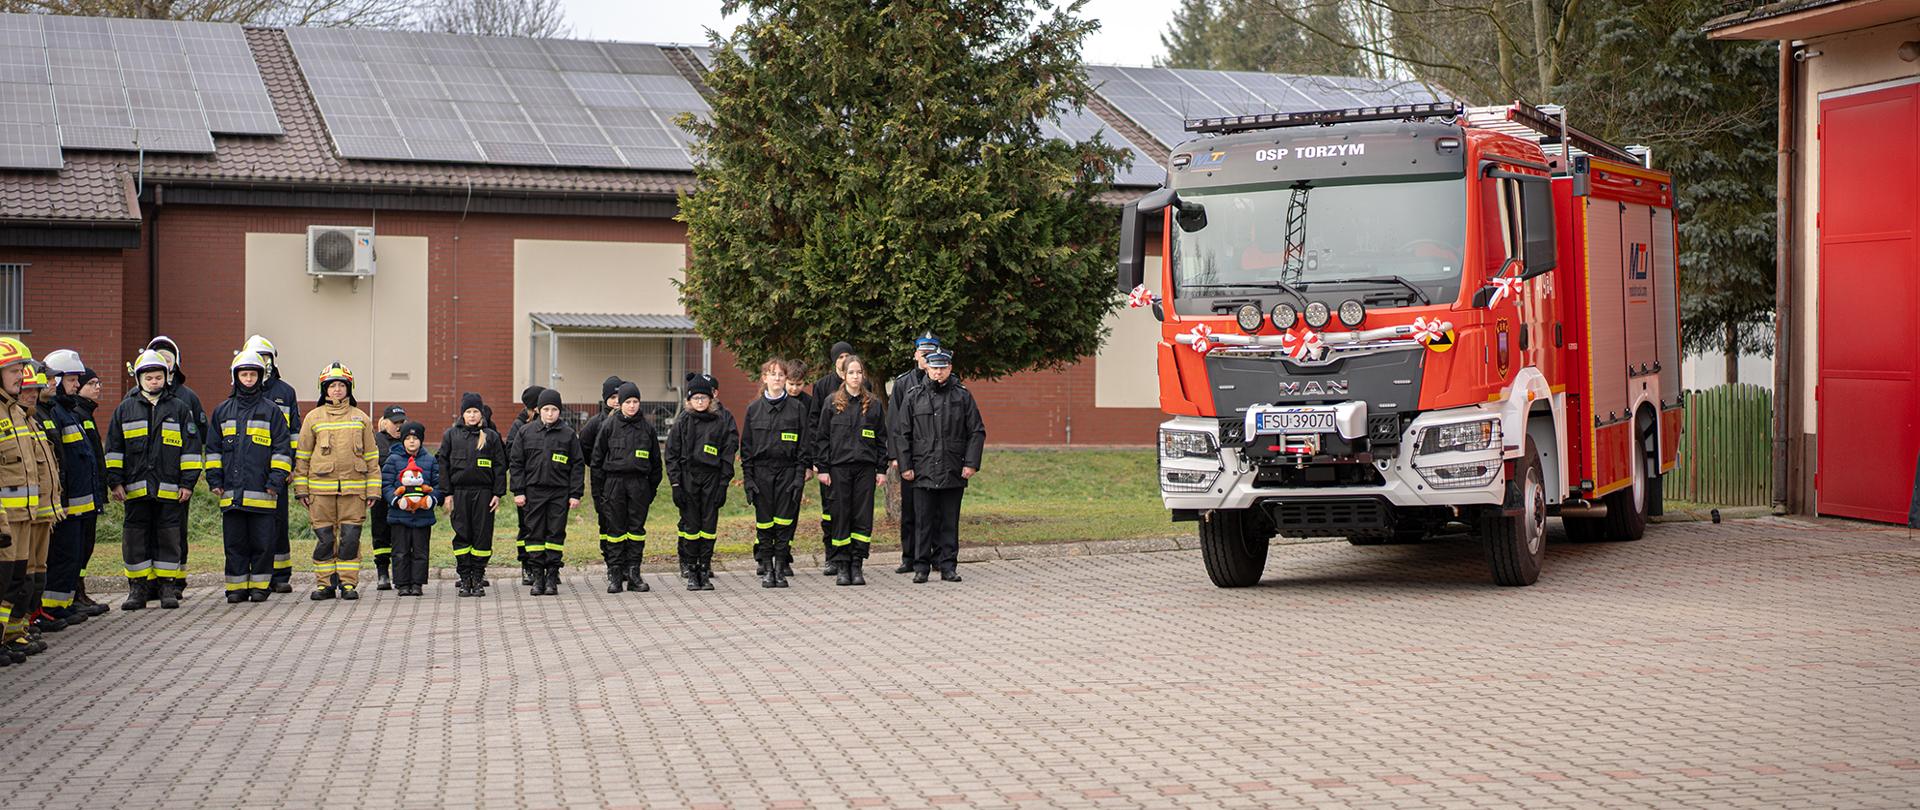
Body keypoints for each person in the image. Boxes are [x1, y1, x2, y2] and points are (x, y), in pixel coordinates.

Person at [106, 349, 201, 609]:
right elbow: (114, 449)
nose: (154, 382)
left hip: (170, 490)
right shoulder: (124, 409)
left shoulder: (180, 409)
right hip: (135, 491)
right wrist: (115, 481)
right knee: (135, 538)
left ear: (166, 377)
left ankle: (167, 587)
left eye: (158, 377)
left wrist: (187, 483)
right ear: (139, 379)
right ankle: (137, 589)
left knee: (168, 537)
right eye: (149, 378)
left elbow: (191, 451)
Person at [205, 350, 292, 604]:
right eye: (244, 374)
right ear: (236, 377)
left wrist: (275, 481)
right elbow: (213, 449)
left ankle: (260, 586)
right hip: (231, 493)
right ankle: (236, 587)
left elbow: (282, 449)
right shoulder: (222, 411)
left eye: (253, 374)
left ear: (260, 376)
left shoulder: (271, 411)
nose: (249, 378)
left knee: (263, 543)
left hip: (264, 493)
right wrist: (215, 480)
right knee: (234, 543)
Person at [893, 349, 985, 583]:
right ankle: (921, 567)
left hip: (953, 468)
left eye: (942, 368)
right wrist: (905, 466)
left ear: (950, 368)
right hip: (922, 470)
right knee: (923, 521)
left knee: (948, 521)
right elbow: (902, 434)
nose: (938, 373)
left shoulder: (962, 396)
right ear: (927, 368)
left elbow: (976, 431)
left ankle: (948, 566)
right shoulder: (914, 396)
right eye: (934, 368)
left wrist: (971, 463)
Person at [292, 363, 378, 602]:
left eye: (341, 385)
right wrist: (301, 489)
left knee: (350, 539)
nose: (337, 390)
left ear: (349, 388)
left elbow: (372, 458)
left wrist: (373, 489)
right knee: (325, 539)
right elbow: (302, 457)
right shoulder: (313, 418)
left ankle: (348, 584)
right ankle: (325, 585)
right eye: (332, 386)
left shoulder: (361, 418)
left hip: (354, 492)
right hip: (320, 494)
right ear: (324, 389)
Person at [40, 350, 106, 622]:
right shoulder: (56, 413)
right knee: (62, 556)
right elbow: (60, 462)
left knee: (73, 555)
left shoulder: (69, 413)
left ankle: (64, 604)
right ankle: (52, 609)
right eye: (71, 379)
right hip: (67, 504)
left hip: (80, 502)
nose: (76, 385)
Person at [812, 354, 888, 586]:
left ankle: (857, 564)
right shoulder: (832, 402)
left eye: (859, 372)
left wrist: (881, 469)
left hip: (865, 470)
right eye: (851, 372)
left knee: (862, 517)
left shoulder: (873, 404)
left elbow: (881, 440)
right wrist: (823, 468)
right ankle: (842, 565)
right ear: (843, 375)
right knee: (841, 515)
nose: (856, 377)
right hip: (839, 470)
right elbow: (822, 438)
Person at [5, 364, 63, 643]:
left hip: (34, 512)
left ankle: (18, 630)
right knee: (14, 579)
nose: (30, 394)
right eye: (26, 389)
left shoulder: (28, 419)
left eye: (35, 390)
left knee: (29, 577)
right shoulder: (15, 418)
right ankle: (9, 634)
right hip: (12, 516)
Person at [741, 359, 808, 588]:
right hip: (762, 473)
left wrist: (799, 477)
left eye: (781, 375)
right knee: (765, 524)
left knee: (784, 523)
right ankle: (767, 568)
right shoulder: (753, 409)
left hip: (787, 473)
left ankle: (780, 567)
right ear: (764, 379)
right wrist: (748, 480)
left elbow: (803, 448)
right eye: (773, 374)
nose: (777, 378)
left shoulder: (797, 409)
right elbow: (746, 449)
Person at [241, 335, 300, 592]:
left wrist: (291, 466)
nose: (261, 364)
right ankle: (256, 573)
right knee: (251, 524)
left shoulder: (285, 392)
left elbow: (294, 434)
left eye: (265, 358)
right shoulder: (240, 391)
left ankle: (280, 575)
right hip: (250, 471)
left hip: (279, 470)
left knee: (277, 522)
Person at [589, 382, 661, 593]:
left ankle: (634, 574)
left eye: (635, 402)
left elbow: (657, 464)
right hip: (614, 484)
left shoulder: (647, 429)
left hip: (639, 485)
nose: (632, 406)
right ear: (619, 404)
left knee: (636, 531)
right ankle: (615, 573)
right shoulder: (608, 426)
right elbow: (597, 461)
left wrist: (650, 491)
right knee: (615, 531)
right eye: (627, 402)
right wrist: (599, 493)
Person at [509, 388, 582, 597]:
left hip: (559, 493)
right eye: (546, 409)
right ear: (539, 410)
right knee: (534, 534)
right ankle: (537, 577)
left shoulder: (568, 435)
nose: (550, 413)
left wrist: (575, 494)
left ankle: (551, 576)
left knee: (555, 534)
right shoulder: (526, 432)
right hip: (533, 492)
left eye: (554, 409)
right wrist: (519, 491)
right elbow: (516, 464)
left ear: (560, 411)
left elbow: (577, 465)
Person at [665, 373, 734, 591]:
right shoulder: (682, 423)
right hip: (688, 480)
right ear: (689, 401)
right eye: (696, 399)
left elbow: (727, 455)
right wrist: (676, 485)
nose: (700, 402)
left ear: (711, 399)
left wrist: (723, 484)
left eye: (704, 398)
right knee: (691, 527)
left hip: (712, 479)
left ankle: (705, 568)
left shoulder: (719, 423)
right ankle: (691, 568)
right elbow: (671, 455)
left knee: (708, 527)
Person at [143, 337, 205, 572]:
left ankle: (176, 578)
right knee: (145, 531)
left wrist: (188, 479)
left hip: (175, 480)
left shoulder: (187, 398)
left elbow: (198, 438)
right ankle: (147, 581)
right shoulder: (133, 398)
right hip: (145, 479)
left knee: (176, 530)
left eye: (168, 360)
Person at [436, 393, 505, 597]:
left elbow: (501, 466)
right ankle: (464, 578)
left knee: (482, 536)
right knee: (462, 534)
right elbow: (443, 464)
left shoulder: (491, 437)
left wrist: (497, 493)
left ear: (481, 414)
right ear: (462, 414)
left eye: (476, 411)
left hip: (484, 494)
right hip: (459, 494)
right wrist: (447, 494)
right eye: (468, 412)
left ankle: (478, 576)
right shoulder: (451, 435)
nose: (472, 415)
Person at [0, 339, 40, 664]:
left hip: (24, 514)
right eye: (14, 370)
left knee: (17, 581)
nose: (20, 376)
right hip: (5, 519)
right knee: (3, 582)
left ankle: (9, 636)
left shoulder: (15, 412)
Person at [888, 332, 940, 574]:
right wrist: (896, 456)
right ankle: (909, 556)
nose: (927, 358)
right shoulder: (902, 384)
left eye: (931, 354)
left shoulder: (947, 382)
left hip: (936, 458)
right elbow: (895, 423)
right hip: (910, 457)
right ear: (915, 355)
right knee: (910, 510)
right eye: (923, 354)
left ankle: (937, 556)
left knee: (937, 510)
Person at [380, 422, 439, 597]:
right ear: (402, 440)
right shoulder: (393, 459)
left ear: (421, 441)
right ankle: (402, 583)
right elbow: (386, 484)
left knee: (420, 551)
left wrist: (432, 499)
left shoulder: (429, 459)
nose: (412, 442)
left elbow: (437, 484)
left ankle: (417, 583)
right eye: (408, 439)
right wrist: (395, 500)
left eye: (415, 439)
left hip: (423, 516)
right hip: (399, 515)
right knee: (400, 551)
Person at [68, 367, 109, 614]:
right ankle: (74, 592)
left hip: (90, 493)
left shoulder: (85, 413)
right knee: (77, 547)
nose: (98, 387)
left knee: (86, 545)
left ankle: (79, 589)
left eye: (98, 382)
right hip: (79, 496)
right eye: (91, 383)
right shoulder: (76, 413)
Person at [810, 342, 853, 576]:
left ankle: (851, 556)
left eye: (848, 355)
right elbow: (815, 423)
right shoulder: (822, 386)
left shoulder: (861, 383)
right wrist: (818, 458)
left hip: (853, 458)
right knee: (830, 510)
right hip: (830, 459)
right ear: (834, 360)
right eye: (840, 356)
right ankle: (831, 555)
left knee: (851, 510)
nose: (844, 359)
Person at [579, 376, 622, 575]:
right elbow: (584, 449)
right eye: (612, 397)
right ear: (605, 399)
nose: (616, 401)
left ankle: (625, 563)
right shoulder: (595, 423)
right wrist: (598, 465)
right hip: (602, 481)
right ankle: (610, 561)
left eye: (619, 396)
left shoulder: (631, 421)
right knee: (606, 520)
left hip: (624, 482)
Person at [507, 385, 545, 585]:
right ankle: (527, 565)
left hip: (548, 486)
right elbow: (512, 456)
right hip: (527, 486)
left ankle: (548, 567)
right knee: (527, 527)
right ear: (535, 408)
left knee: (549, 528)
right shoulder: (519, 426)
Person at [369, 405, 406, 591]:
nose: (398, 426)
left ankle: (401, 575)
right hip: (382, 496)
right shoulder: (376, 440)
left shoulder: (409, 440)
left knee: (400, 536)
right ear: (385, 423)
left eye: (402, 422)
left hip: (403, 498)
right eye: (395, 422)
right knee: (381, 534)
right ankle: (382, 573)